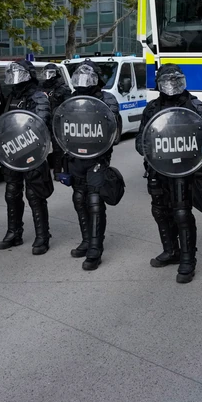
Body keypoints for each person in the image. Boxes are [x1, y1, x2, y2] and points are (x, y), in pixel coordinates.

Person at [137, 64, 202, 283]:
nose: (171, 86)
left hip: (183, 168)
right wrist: (145, 148)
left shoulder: (194, 104)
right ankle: (171, 251)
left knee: (182, 213)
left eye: (175, 81)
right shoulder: (151, 107)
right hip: (158, 168)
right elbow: (142, 138)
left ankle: (188, 260)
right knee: (160, 211)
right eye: (166, 81)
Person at [0, 60, 54, 255]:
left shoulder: (38, 97)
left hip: (31, 152)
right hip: (11, 152)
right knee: (11, 193)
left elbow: (40, 123)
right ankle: (14, 232)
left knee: (35, 195)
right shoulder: (9, 96)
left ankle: (43, 236)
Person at [66, 60, 119, 270]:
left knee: (95, 201)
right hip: (76, 156)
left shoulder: (108, 99)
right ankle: (87, 240)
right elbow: (60, 124)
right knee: (79, 199)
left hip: (98, 157)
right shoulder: (71, 99)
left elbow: (113, 127)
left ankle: (96, 249)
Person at [40, 64, 71, 179]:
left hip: (57, 122)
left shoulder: (63, 88)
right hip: (43, 121)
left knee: (58, 148)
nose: (48, 76)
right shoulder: (41, 87)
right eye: (46, 73)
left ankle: (58, 171)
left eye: (51, 73)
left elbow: (68, 106)